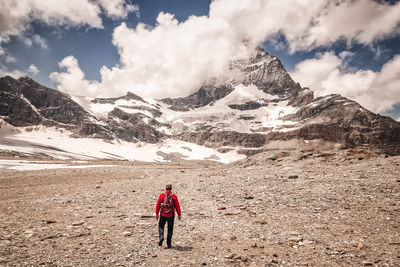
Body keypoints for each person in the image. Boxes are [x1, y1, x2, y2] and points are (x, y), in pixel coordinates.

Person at [156, 184, 181, 248]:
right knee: (170, 229)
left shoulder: (162, 195)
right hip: (171, 215)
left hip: (163, 214)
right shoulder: (174, 196)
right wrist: (179, 214)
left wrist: (157, 214)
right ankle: (169, 244)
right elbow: (177, 206)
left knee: (161, 226)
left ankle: (161, 236)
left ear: (165, 188)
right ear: (171, 189)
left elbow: (158, 205)